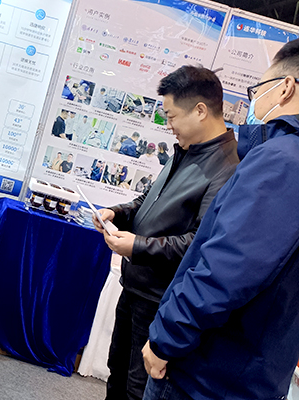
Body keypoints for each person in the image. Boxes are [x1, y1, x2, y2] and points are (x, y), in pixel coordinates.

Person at [142, 39, 299, 400]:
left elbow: (228, 266)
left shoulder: (282, 160)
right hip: (252, 368)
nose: (253, 102)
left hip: (209, 372)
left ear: (285, 88)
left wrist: (167, 337)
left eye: (258, 90)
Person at [93, 65, 239, 400]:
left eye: (171, 116)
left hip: (161, 299)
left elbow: (199, 243)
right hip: (135, 287)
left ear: (200, 110)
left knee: (138, 388)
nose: (168, 125)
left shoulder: (228, 167)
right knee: (117, 372)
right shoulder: (185, 150)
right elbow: (149, 201)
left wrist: (138, 247)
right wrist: (118, 213)